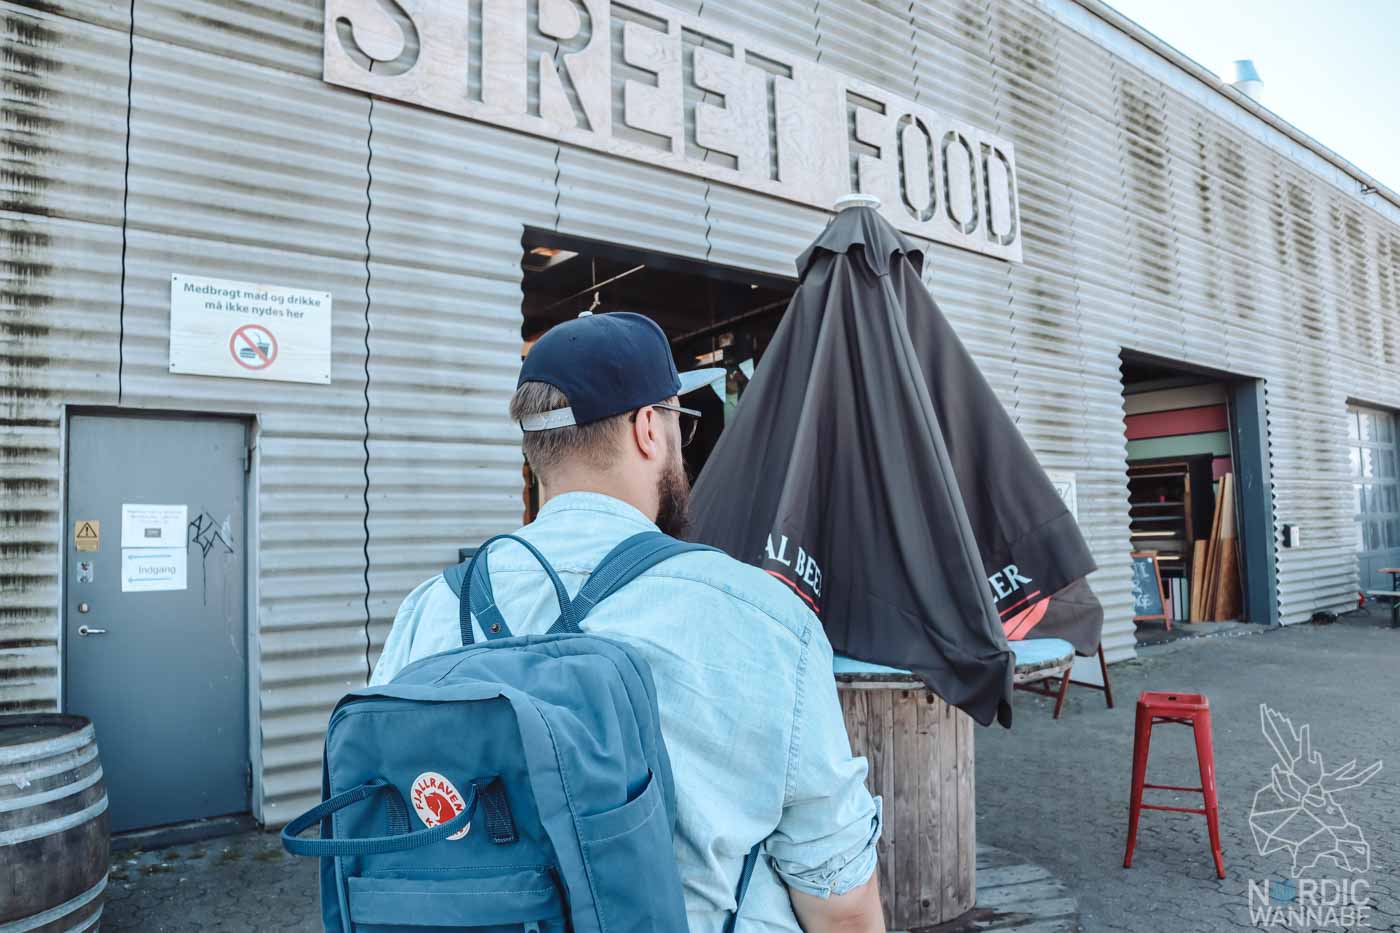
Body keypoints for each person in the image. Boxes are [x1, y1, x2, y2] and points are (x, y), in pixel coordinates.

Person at [373, 312, 885, 933]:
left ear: (536, 452)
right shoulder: (764, 616)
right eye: (679, 423)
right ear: (648, 429)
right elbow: (839, 901)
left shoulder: (430, 608)